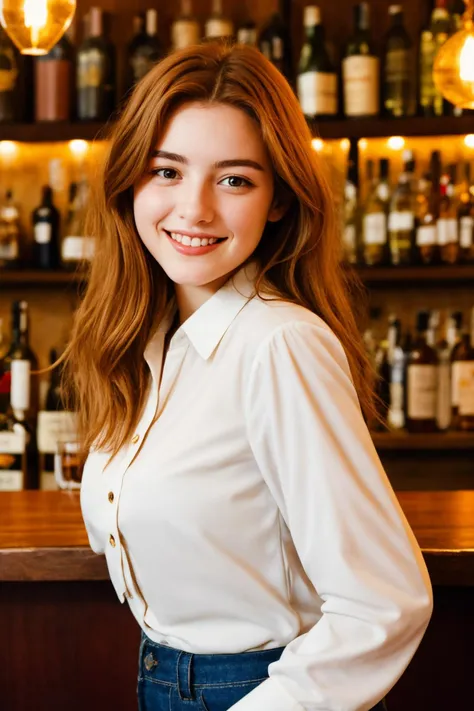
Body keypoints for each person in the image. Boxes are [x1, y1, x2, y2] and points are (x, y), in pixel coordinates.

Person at [65, 41, 432, 711]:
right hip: (163, 678)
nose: (194, 209)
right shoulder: (150, 345)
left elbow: (385, 599)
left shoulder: (279, 343)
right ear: (132, 182)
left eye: (234, 179)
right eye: (166, 171)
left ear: (279, 201)